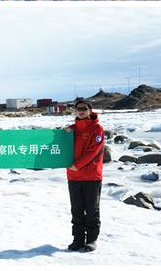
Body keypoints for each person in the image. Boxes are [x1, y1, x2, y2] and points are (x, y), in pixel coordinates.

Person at [64, 99, 104, 252]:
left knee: (92, 209)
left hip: (91, 177)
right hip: (73, 177)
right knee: (77, 210)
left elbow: (93, 152)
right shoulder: (71, 130)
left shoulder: (97, 129)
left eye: (83, 109)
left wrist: (78, 165)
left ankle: (91, 240)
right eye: (78, 109)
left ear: (90, 110)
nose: (80, 111)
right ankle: (78, 239)